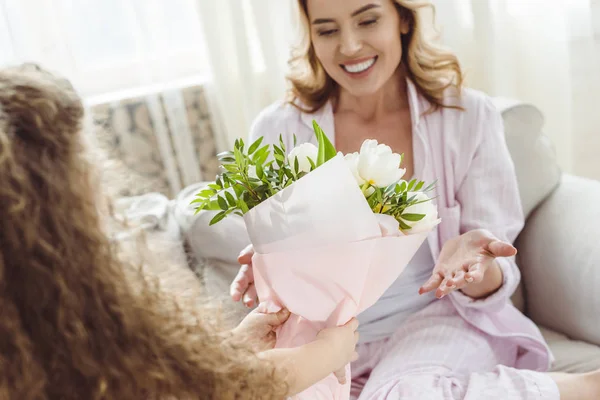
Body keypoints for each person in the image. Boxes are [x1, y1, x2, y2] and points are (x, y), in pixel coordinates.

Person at [229, 0, 600, 399]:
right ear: (311, 38)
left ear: (403, 19)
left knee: (406, 393)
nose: (350, 46)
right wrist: (272, 263)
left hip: (440, 318)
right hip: (323, 334)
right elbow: (283, 259)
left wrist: (474, 264)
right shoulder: (277, 128)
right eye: (327, 30)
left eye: (368, 20)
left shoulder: (466, 115)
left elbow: (495, 276)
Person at [0, 63, 359, 399]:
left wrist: (232, 348)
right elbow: (239, 387)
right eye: (87, 162)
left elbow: (192, 384)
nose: (101, 182)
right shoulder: (81, 303)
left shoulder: (44, 314)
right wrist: (329, 351)